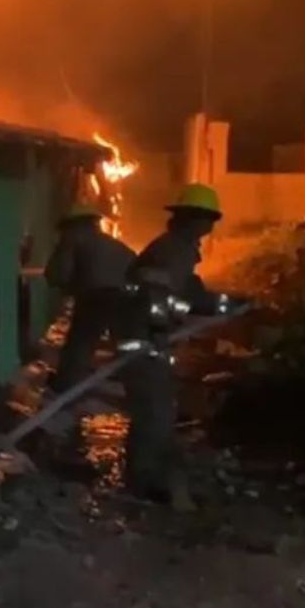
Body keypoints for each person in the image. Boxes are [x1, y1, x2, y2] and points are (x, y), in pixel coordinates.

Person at [121, 183, 231, 511]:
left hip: (146, 337)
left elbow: (189, 294)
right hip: (143, 339)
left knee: (154, 410)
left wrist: (226, 303)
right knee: (155, 413)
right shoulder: (173, 251)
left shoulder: (178, 248)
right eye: (205, 219)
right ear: (191, 219)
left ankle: (143, 480)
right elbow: (156, 293)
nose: (209, 226)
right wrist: (158, 328)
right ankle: (144, 485)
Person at [45, 203, 137, 393]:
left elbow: (58, 275)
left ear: (72, 226)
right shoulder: (115, 245)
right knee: (125, 343)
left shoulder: (72, 240)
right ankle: (131, 383)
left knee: (80, 343)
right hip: (127, 298)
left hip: (96, 296)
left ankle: (67, 387)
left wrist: (66, 285)